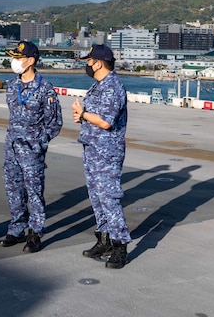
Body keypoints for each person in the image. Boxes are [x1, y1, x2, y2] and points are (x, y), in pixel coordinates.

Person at [0, 41, 63, 253]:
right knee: (13, 188)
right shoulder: (11, 85)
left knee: (34, 191)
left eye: (18, 58)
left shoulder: (45, 89)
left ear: (31, 61)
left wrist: (38, 144)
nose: (14, 62)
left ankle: (35, 232)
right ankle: (16, 229)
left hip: (32, 149)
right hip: (12, 146)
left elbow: (54, 123)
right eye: (14, 57)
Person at [71, 44, 132, 269]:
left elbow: (106, 121)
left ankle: (120, 245)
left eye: (89, 61)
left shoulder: (112, 87)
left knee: (109, 198)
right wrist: (82, 117)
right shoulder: (98, 86)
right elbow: (95, 117)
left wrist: (85, 114)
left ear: (98, 62)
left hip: (107, 152)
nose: (87, 65)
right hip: (93, 148)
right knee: (96, 197)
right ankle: (103, 238)